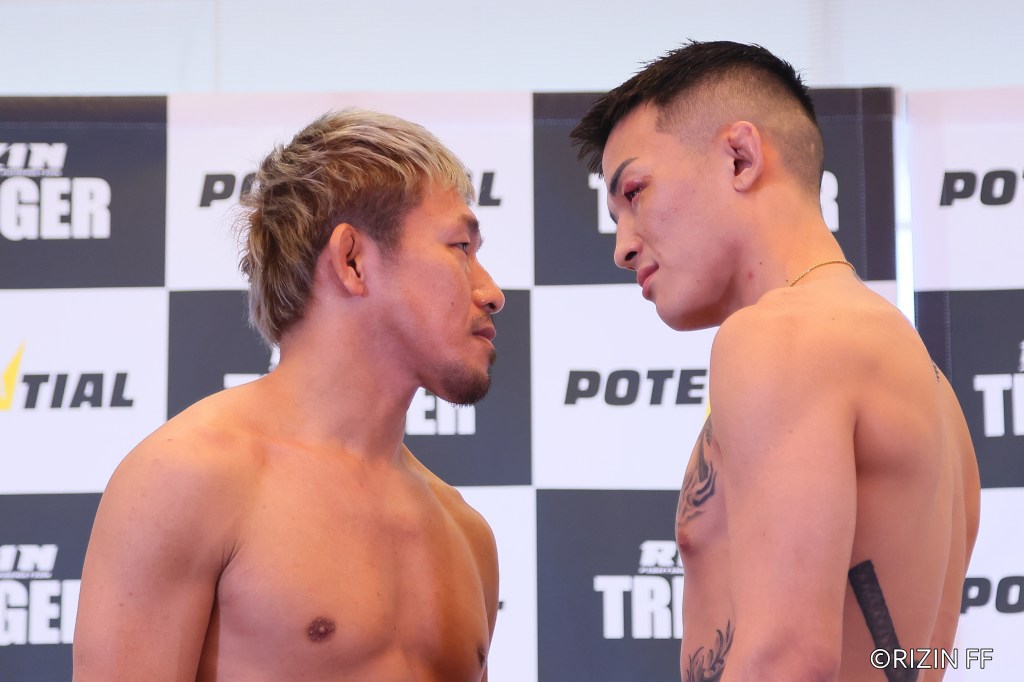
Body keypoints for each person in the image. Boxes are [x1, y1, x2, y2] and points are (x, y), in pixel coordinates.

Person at [571, 41, 980, 681]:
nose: (623, 246)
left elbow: (786, 659)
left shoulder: (780, 337)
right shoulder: (932, 387)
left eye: (636, 192)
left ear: (740, 157)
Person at [74, 109, 504, 681]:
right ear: (352, 260)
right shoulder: (187, 477)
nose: (492, 291)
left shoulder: (466, 533)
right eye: (460, 247)